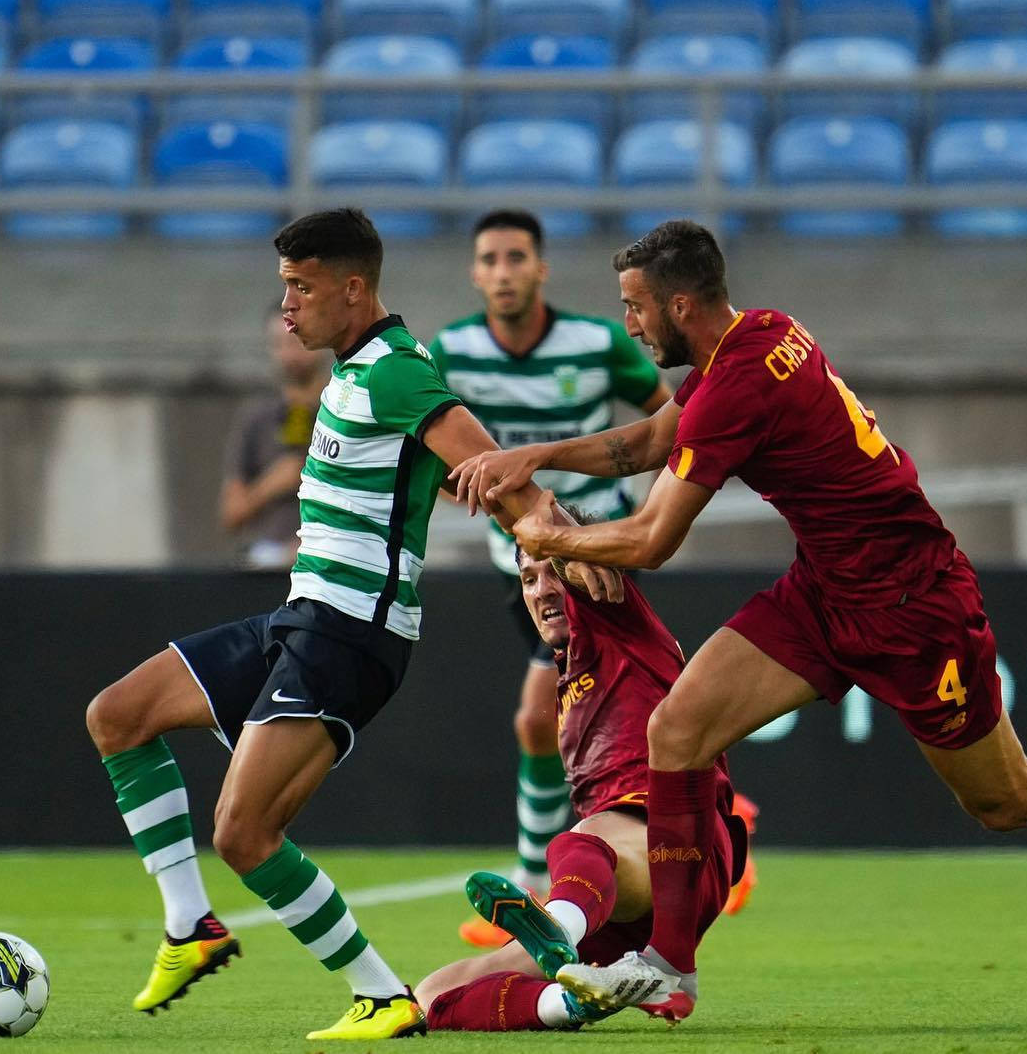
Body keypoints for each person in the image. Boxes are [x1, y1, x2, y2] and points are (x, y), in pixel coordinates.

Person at [450, 219, 1027, 1021]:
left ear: (681, 303)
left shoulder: (739, 383)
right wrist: (538, 458)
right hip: (827, 591)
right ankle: (670, 965)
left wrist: (545, 533)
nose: (629, 322)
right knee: (677, 730)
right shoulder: (756, 334)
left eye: (635, 307)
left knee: (1005, 799)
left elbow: (652, 540)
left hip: (914, 604)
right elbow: (654, 438)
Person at [83, 208, 613, 1043]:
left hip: (351, 633)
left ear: (352, 288)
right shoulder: (353, 373)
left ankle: (382, 994)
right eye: (284, 287)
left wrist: (561, 550)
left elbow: (495, 474)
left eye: (300, 287)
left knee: (244, 832)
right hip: (302, 616)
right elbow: (436, 475)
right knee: (118, 715)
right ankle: (190, 926)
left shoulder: (397, 371)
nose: (286, 308)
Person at [430, 209, 672, 944]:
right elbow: (433, 452)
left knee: (542, 713)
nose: (502, 270)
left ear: (541, 268)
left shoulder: (597, 344)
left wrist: (647, 521)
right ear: (476, 273)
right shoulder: (452, 352)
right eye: (490, 258)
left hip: (597, 561)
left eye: (516, 257)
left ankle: (539, 883)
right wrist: (468, 490)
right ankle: (687, 829)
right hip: (522, 563)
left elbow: (671, 422)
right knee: (593, 716)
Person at [413, 546, 745, 1031]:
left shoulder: (617, 624)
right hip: (611, 896)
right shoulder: (569, 671)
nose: (541, 590)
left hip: (679, 846)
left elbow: (552, 527)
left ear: (594, 574)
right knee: (432, 997)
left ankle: (558, 930)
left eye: (554, 575)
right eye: (527, 579)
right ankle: (572, 1002)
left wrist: (501, 474)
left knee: (580, 839)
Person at [219, 304, 331, 568]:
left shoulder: (346, 413)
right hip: (268, 561)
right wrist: (272, 484)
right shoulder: (257, 419)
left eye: (295, 341)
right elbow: (231, 514)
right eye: (278, 344)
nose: (288, 354)